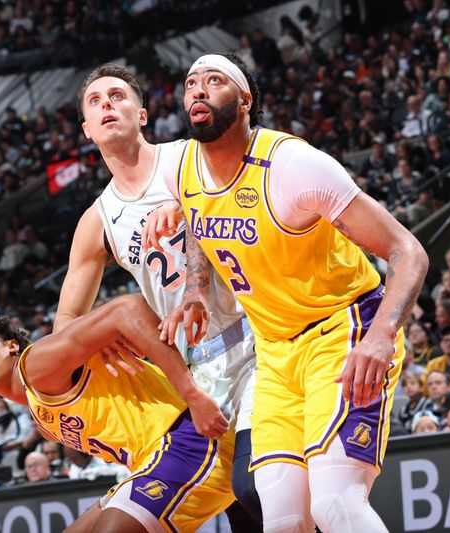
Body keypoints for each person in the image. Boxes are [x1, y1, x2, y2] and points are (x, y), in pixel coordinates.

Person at [144, 53, 428, 533]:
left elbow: (407, 250)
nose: (197, 89)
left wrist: (380, 336)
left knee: (335, 504)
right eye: (191, 82)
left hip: (342, 332)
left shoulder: (294, 166)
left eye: (214, 81)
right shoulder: (182, 167)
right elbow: (197, 213)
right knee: (282, 519)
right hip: (274, 351)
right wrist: (195, 288)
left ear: (245, 101)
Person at [60, 63, 260, 529]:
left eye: (117, 96)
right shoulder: (98, 220)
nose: (107, 105)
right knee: (243, 512)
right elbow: (66, 319)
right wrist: (95, 338)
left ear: (143, 114)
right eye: (95, 102)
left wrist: (188, 203)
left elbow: (254, 193)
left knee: (265, 488)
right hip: (199, 370)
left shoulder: (191, 156)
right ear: (87, 131)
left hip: (257, 335)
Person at [0, 296, 234, 533]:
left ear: (11, 345)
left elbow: (126, 308)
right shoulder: (42, 418)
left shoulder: (36, 365)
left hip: (191, 437)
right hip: (159, 458)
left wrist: (192, 395)